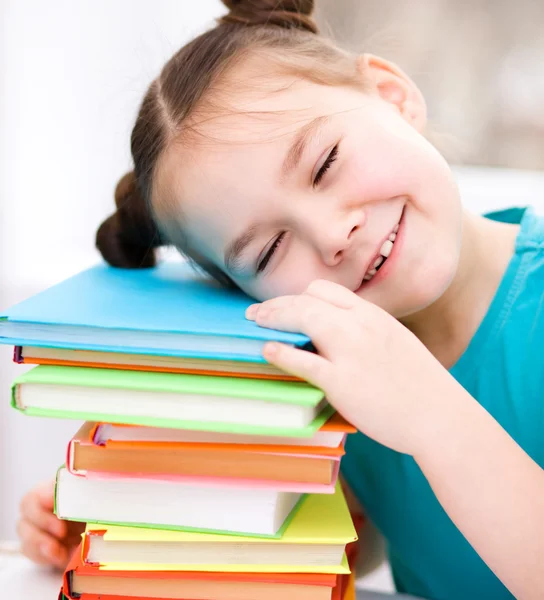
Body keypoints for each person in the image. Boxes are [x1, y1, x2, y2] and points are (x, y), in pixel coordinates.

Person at [18, 1, 544, 598]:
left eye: (326, 163)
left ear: (392, 95)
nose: (330, 235)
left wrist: (428, 415)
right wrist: (134, 521)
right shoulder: (330, 365)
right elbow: (367, 538)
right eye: (268, 252)